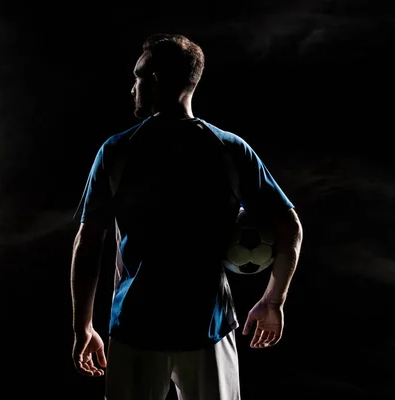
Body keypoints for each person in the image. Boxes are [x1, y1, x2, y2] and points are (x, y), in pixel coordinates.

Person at [70, 33, 303, 400]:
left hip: (136, 328)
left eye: (139, 76)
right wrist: (274, 300)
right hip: (209, 328)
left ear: (157, 80)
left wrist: (82, 326)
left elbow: (88, 242)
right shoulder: (229, 148)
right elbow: (290, 228)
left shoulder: (117, 152)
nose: (133, 86)